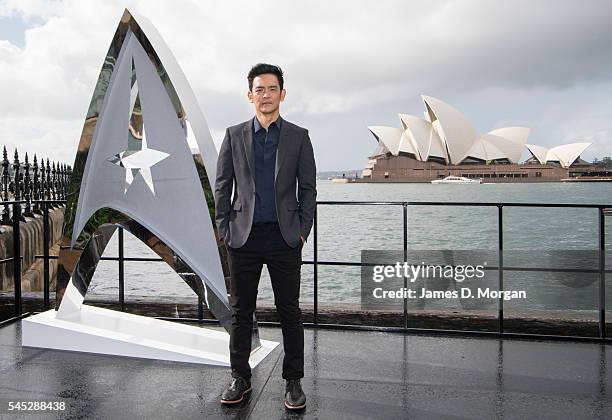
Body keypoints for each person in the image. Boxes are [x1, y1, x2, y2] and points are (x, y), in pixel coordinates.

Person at [214, 63, 316, 411]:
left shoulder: (299, 137)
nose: (266, 95)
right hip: (243, 238)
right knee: (241, 311)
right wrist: (224, 228)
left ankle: (293, 382)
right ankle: (240, 377)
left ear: (282, 94)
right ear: (250, 95)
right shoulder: (233, 135)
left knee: (290, 311)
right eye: (260, 89)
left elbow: (309, 189)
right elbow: (222, 185)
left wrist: (302, 232)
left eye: (272, 89)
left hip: (285, 238)